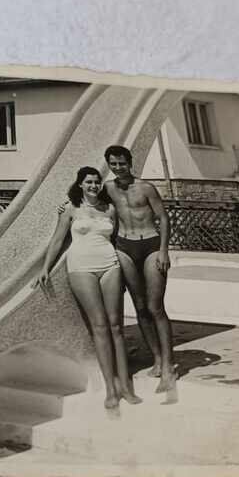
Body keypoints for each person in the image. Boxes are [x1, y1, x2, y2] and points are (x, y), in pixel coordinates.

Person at [34, 167, 141, 409]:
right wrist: (45, 268)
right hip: (81, 267)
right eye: (89, 182)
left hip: (110, 265)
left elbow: (116, 239)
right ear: (80, 184)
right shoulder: (70, 209)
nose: (93, 186)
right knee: (100, 327)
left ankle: (126, 386)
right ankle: (111, 390)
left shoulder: (109, 208)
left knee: (116, 327)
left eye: (96, 182)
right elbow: (58, 240)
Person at [103, 145, 177, 394]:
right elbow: (86, 201)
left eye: (121, 163)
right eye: (113, 164)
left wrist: (164, 250)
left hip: (150, 245)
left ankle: (168, 367)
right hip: (124, 246)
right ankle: (156, 357)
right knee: (140, 306)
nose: (118, 168)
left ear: (129, 162)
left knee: (156, 307)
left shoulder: (146, 187)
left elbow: (164, 218)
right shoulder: (109, 189)